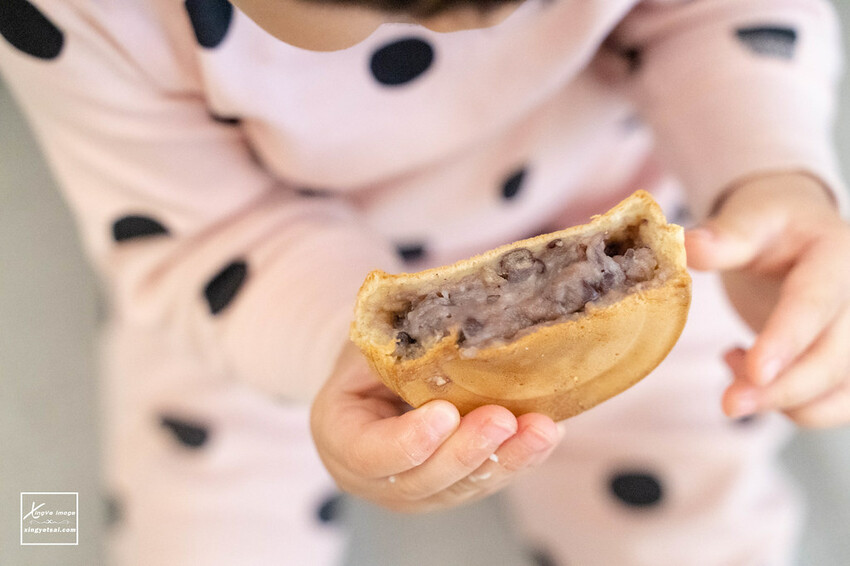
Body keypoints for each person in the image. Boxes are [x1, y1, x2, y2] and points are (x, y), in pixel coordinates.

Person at [2, 0, 849, 563]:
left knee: (695, 532)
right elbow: (201, 231)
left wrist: (768, 176)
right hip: (264, 283)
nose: (469, 37)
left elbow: (721, 16)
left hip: (633, 211)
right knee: (205, 536)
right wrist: (336, 356)